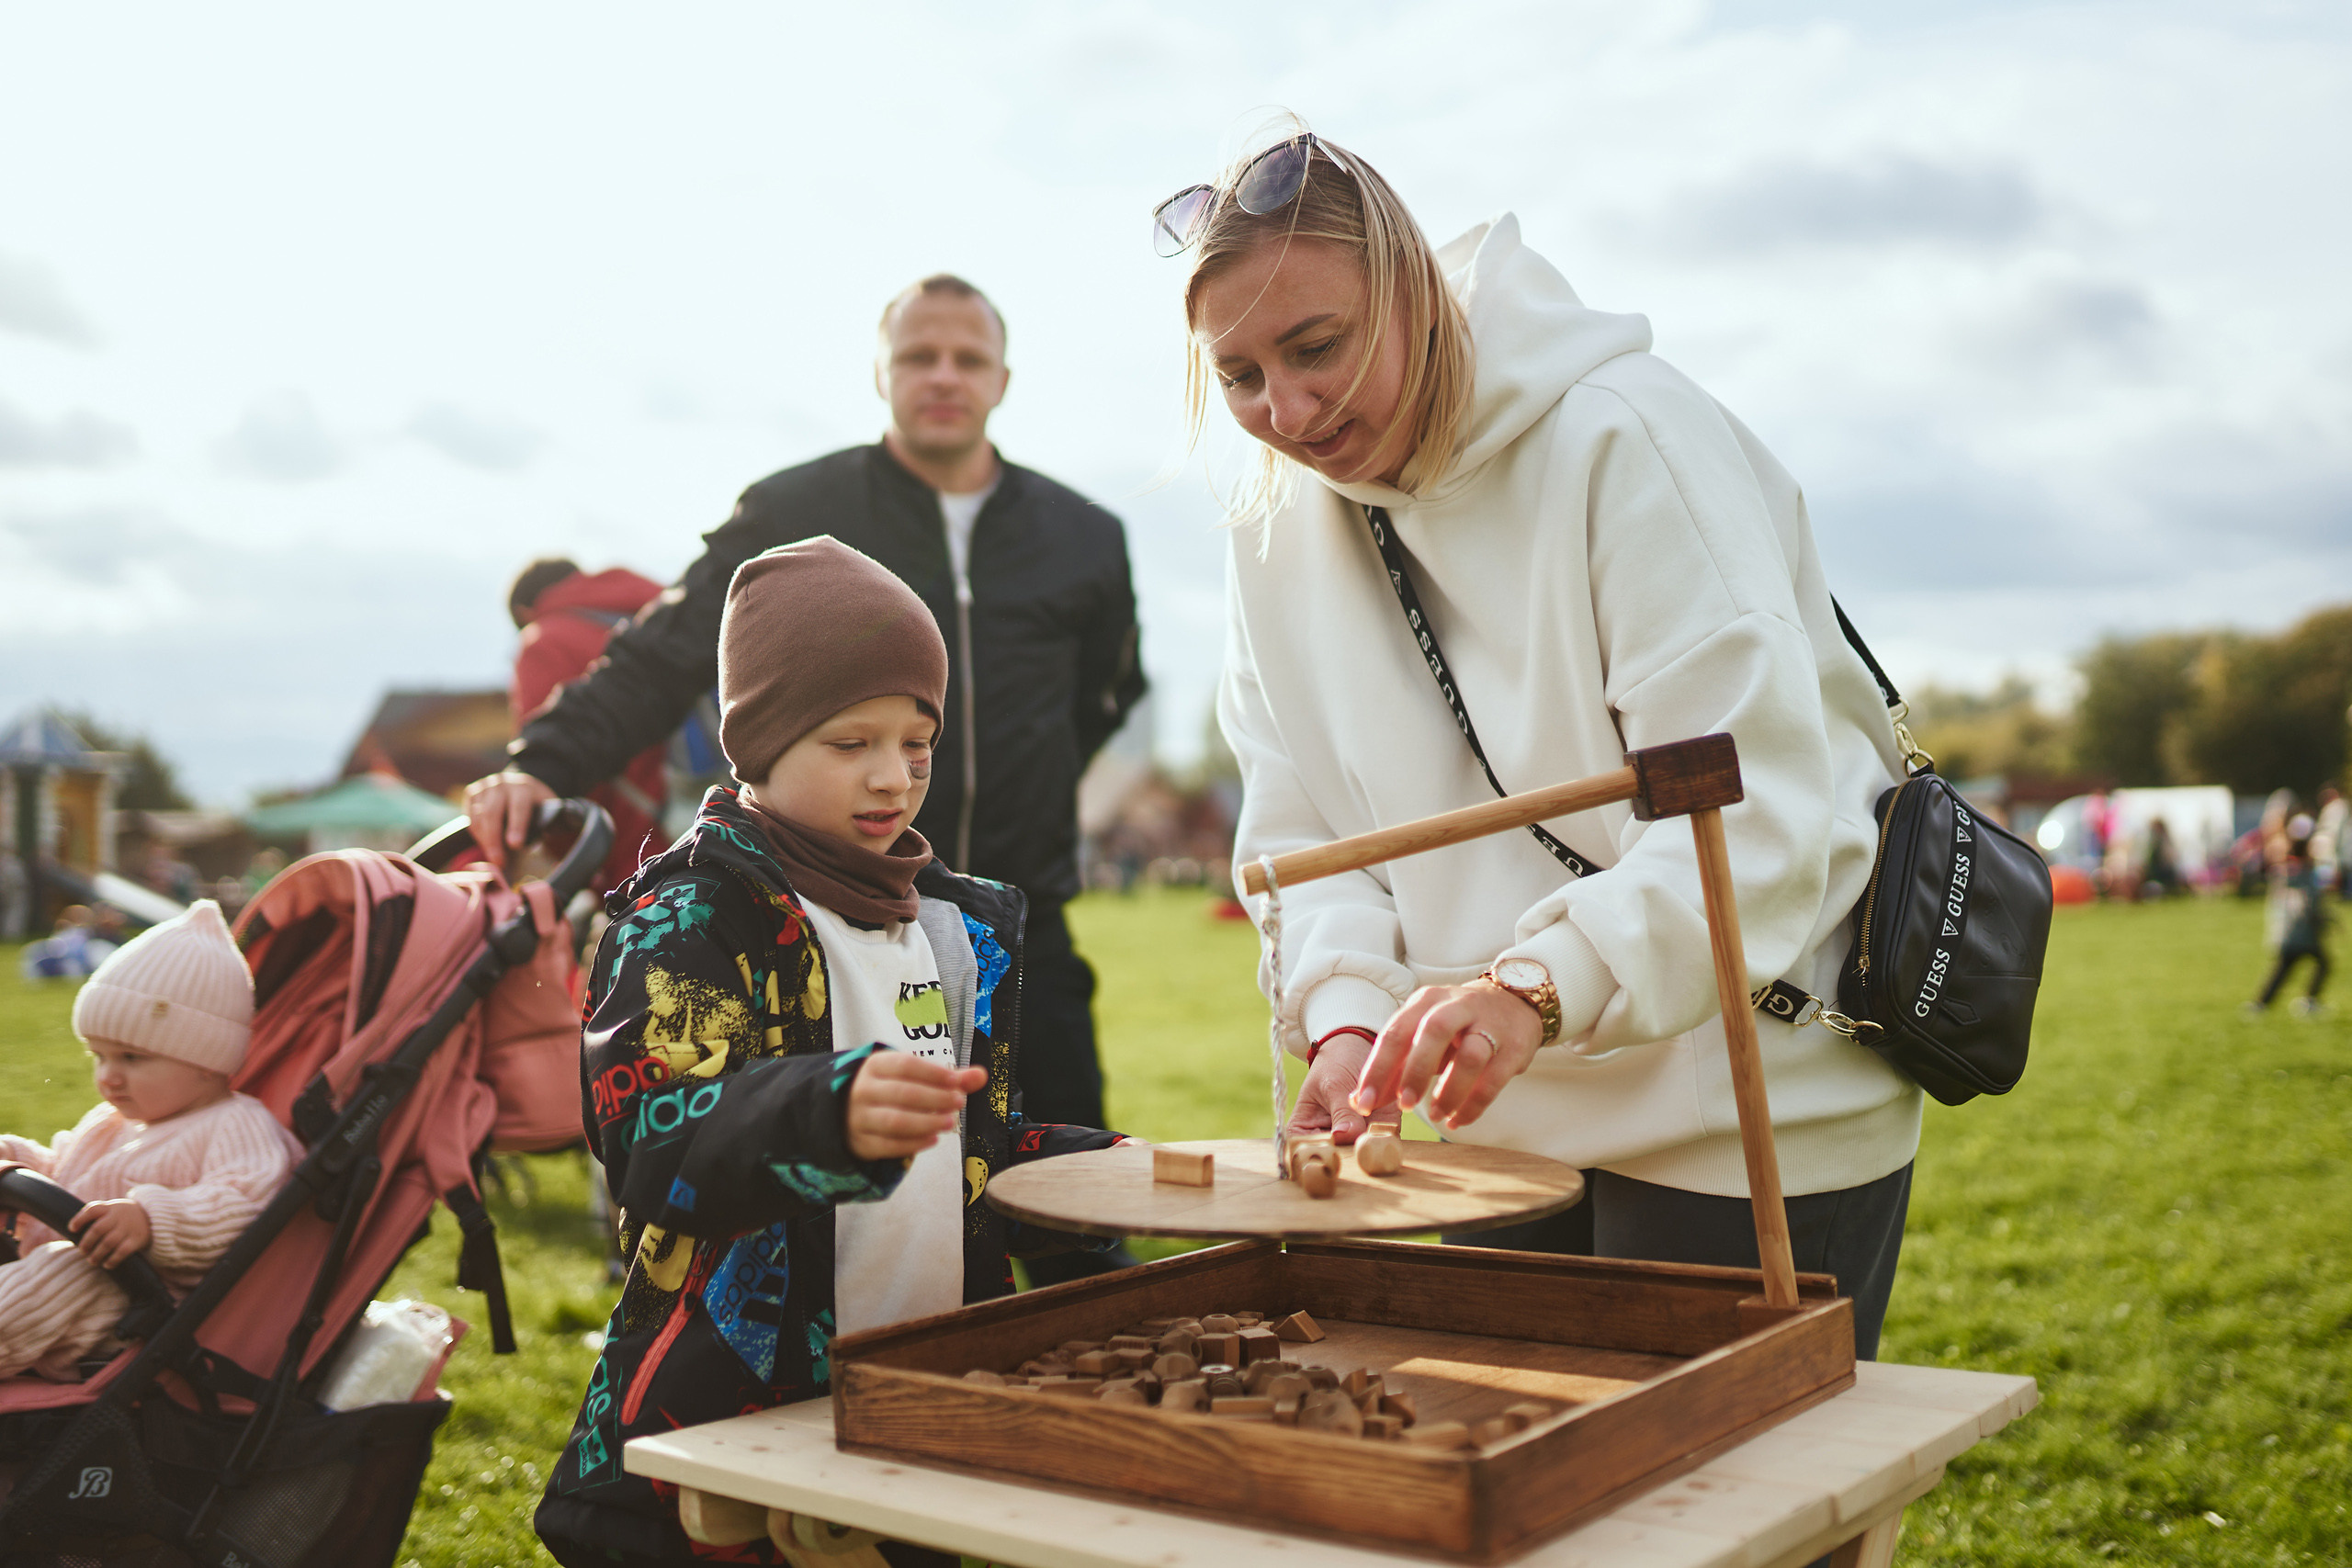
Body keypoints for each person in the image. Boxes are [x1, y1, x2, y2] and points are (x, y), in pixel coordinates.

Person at [1167, 131, 1917, 1359]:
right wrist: (1352, 1017)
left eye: (1316, 347)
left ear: (1411, 291)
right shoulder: (1269, 529)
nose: (1287, 412)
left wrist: (1535, 984)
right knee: (1524, 1509)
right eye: (1239, 372)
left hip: (1746, 1097)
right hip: (1500, 1113)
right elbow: (1307, 832)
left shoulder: (1628, 438)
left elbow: (1760, 809)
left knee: (1723, 1522)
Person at [466, 277, 1146, 1282]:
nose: (944, 376)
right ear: (882, 374)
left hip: (1012, 916)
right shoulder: (799, 509)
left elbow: (1105, 692)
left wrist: (1033, 793)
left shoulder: (1085, 536)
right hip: (811, 916)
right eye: (919, 356)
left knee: (1066, 1214)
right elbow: (665, 649)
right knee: (817, 1211)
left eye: (967, 357)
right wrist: (542, 764)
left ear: (1003, 377)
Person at [535, 538, 1125, 1568]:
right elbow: (650, 1140)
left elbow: (963, 1141)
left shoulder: (952, 930)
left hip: (923, 1397)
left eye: (918, 744)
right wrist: (823, 1110)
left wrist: (1103, 1171)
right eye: (851, 742)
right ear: (758, 743)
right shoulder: (688, 922)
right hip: (727, 1421)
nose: (894, 778)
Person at [0, 902, 301, 1379]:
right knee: (50, 1263)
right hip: (61, 1271)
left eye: (132, 1058)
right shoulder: (114, 1121)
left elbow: (241, 1208)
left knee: (66, 1274)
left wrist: (152, 1219)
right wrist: (18, 1159)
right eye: (98, 1057)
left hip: (144, 1301)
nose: (108, 1078)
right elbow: (65, 1172)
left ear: (206, 1059)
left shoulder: (235, 1126)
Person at [505, 556, 671, 894]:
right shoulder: (666, 611)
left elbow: (550, 768)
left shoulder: (544, 641)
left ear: (524, 612)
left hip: (640, 848)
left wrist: (577, 865)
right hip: (735, 815)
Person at [2248, 819, 2331, 1017]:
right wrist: (2322, 920)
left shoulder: (2283, 868)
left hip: (2285, 929)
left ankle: (2260, 1005)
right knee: (2321, 964)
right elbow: (2307, 902)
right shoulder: (2304, 871)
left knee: (2285, 968)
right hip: (2301, 931)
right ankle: (2307, 1002)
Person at [18, 905, 117, 980]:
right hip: (61, 959)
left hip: (83, 960)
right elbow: (55, 947)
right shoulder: (62, 935)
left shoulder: (97, 938)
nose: (79, 922)